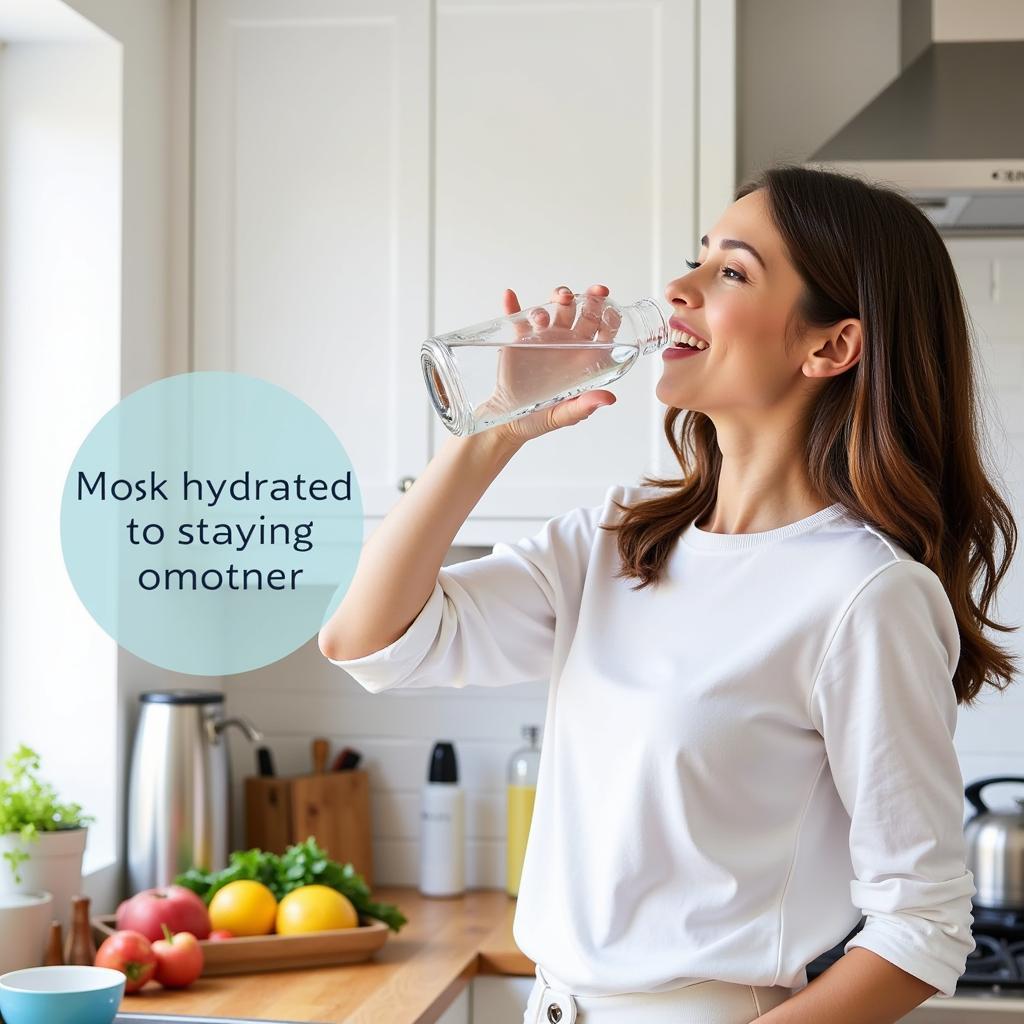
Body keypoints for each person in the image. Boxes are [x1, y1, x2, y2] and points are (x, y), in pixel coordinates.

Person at [318, 164, 1018, 1024]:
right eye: (699, 257)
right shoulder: (618, 542)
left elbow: (922, 925)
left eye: (730, 271)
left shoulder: (866, 594)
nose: (677, 288)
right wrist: (497, 430)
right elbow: (368, 644)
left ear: (830, 346)